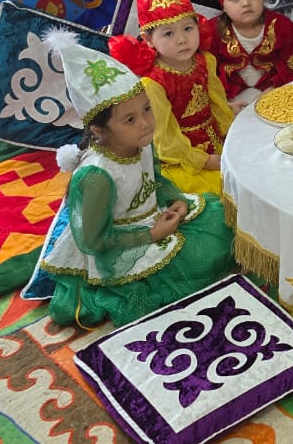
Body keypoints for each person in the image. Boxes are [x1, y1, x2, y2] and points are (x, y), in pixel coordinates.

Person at [39, 30, 234, 328]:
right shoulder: (96, 176)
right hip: (120, 245)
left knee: (225, 220)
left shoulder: (140, 141)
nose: (145, 123)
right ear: (99, 131)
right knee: (201, 259)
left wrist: (177, 200)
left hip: (154, 216)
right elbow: (94, 241)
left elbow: (156, 180)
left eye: (146, 109)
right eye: (129, 119)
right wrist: (152, 235)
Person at [108, 0, 234, 195]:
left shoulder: (205, 61)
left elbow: (219, 106)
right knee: (219, 191)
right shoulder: (153, 84)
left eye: (188, 28)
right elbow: (164, 138)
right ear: (148, 39)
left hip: (216, 143)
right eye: (169, 33)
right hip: (182, 157)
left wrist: (233, 137)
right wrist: (205, 161)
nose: (182, 40)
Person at [202, 0, 293, 111]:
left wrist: (273, 92)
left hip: (276, 94)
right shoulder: (211, 31)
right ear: (223, 5)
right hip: (230, 102)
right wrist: (225, 106)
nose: (246, 3)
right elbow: (206, 76)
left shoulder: (283, 27)